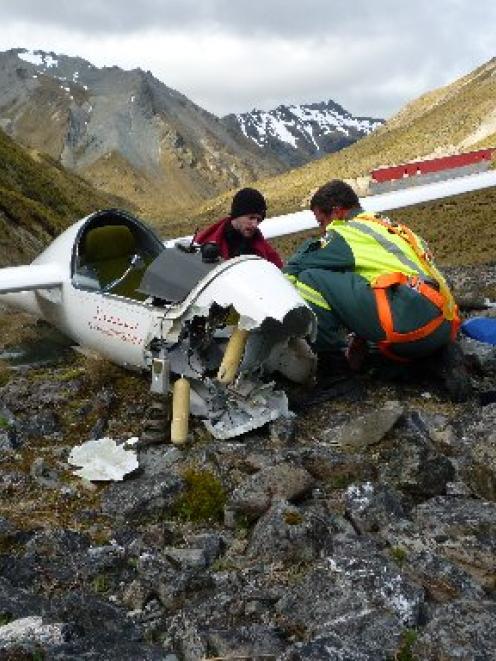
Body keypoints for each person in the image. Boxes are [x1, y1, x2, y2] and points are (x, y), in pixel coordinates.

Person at [284, 179, 460, 367]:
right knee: (363, 282)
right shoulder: (388, 226)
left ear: (336, 212)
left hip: (414, 330)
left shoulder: (345, 232)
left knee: (310, 279)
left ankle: (335, 372)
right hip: (445, 326)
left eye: (322, 222)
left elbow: (299, 265)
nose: (323, 229)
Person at [195, 187, 283, 268]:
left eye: (258, 220)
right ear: (237, 215)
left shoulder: (266, 252)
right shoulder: (203, 245)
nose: (255, 225)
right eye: (251, 218)